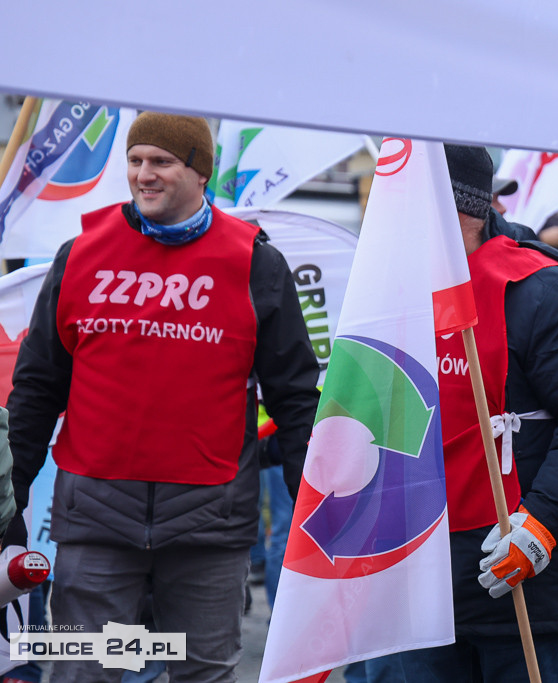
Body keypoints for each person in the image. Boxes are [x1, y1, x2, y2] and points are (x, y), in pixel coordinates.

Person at [5, 111, 321, 682]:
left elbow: (296, 397)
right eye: (134, 161)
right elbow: (36, 386)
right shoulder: (80, 254)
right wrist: (9, 494)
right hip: (96, 523)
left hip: (209, 528)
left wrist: (314, 507)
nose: (143, 175)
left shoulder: (254, 263)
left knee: (202, 673)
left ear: (200, 172)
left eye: (161, 162)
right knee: (85, 674)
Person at [364, 144, 558, 682]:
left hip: (519, 573)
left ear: (465, 210)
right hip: (412, 577)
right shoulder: (383, 286)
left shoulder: (541, 287)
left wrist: (542, 523)